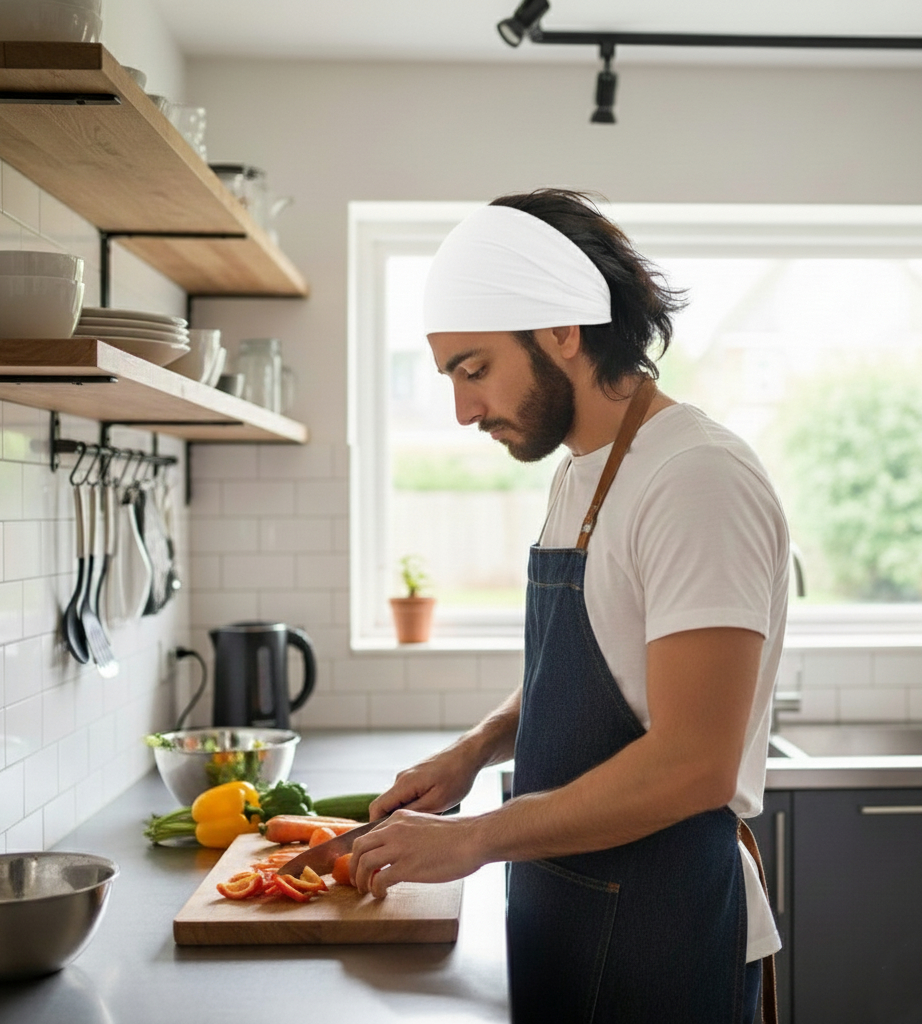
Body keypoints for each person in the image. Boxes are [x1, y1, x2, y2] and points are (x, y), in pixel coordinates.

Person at [348, 189, 789, 1024]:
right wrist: (475, 751)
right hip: (568, 908)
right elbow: (601, 667)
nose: (463, 409)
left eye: (473, 369)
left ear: (562, 330)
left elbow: (697, 762)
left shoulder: (695, 478)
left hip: (667, 936)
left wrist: (475, 839)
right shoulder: (582, 471)